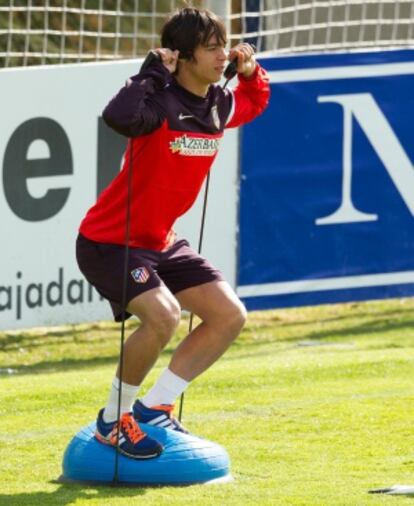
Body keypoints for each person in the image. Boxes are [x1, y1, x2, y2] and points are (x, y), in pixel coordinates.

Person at [76, 6, 270, 459]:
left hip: (161, 242)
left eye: (225, 45)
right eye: (212, 47)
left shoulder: (219, 105)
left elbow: (256, 101)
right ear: (182, 56)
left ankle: (155, 404)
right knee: (162, 317)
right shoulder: (156, 103)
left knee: (228, 315)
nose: (223, 54)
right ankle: (112, 420)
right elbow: (118, 117)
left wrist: (251, 71)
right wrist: (149, 74)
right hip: (110, 242)